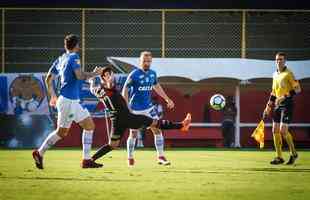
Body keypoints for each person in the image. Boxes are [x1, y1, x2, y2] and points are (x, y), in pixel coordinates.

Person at [89, 66, 191, 163]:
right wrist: (107, 79)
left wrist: (93, 76)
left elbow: (92, 87)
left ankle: (90, 160)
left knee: (112, 145)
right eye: (108, 75)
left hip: (116, 121)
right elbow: (110, 84)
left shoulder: (99, 90)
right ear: (103, 78)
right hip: (128, 118)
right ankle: (181, 125)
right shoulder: (109, 88)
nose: (111, 76)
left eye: (111, 74)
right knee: (155, 123)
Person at [32, 34, 103, 169]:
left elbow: (48, 78)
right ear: (77, 46)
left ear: (65, 46)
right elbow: (80, 75)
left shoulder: (60, 59)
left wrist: (53, 95)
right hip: (69, 101)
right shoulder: (74, 57)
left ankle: (86, 160)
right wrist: (95, 73)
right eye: (78, 45)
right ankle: (39, 153)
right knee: (61, 132)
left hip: (71, 101)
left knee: (89, 126)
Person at [122, 51, 175, 166]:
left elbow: (156, 86)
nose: (147, 63)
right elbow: (125, 90)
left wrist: (167, 99)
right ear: (140, 62)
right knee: (134, 133)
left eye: (149, 61)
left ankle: (160, 156)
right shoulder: (134, 74)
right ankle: (130, 157)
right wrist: (127, 107)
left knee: (157, 129)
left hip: (149, 108)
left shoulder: (152, 74)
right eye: (144, 61)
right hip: (135, 109)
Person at [263, 52, 301, 165]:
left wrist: (284, 96)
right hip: (277, 106)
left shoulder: (289, 73)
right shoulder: (274, 74)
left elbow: (298, 89)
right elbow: (273, 93)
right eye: (277, 59)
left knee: (283, 130)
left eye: (281, 59)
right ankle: (279, 157)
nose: (279, 61)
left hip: (287, 104)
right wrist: (267, 108)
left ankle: (293, 153)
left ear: (285, 61)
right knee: (274, 130)